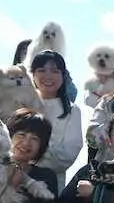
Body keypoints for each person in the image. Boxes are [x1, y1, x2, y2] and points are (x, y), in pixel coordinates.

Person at [28, 50, 84, 192]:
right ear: (33, 74)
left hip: (50, 184)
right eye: (41, 70)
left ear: (63, 75)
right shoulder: (21, 105)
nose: (48, 76)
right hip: (15, 180)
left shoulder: (72, 110)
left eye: (55, 71)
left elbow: (69, 152)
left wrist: (34, 153)